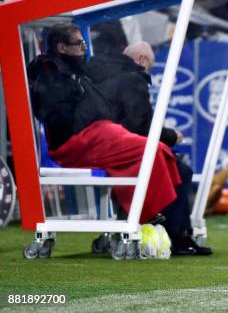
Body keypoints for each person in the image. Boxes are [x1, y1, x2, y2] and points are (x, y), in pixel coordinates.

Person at [27, 22, 181, 225]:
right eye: (79, 44)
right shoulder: (50, 73)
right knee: (151, 150)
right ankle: (142, 213)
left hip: (97, 133)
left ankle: (139, 212)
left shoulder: (73, 72)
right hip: (78, 142)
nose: (83, 49)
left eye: (84, 43)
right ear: (61, 47)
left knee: (156, 150)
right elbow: (60, 118)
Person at [85, 41, 212, 255]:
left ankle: (170, 230)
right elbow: (138, 127)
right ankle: (177, 236)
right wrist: (171, 136)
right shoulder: (132, 80)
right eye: (150, 66)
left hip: (101, 148)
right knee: (180, 170)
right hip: (122, 152)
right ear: (142, 60)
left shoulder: (105, 75)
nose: (149, 71)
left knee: (174, 164)